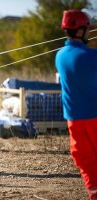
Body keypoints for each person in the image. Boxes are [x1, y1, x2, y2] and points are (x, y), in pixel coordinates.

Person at [55, 10, 97, 200]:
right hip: (94, 117)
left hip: (74, 120)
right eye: (87, 28)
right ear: (80, 31)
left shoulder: (59, 56)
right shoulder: (91, 56)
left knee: (85, 161)